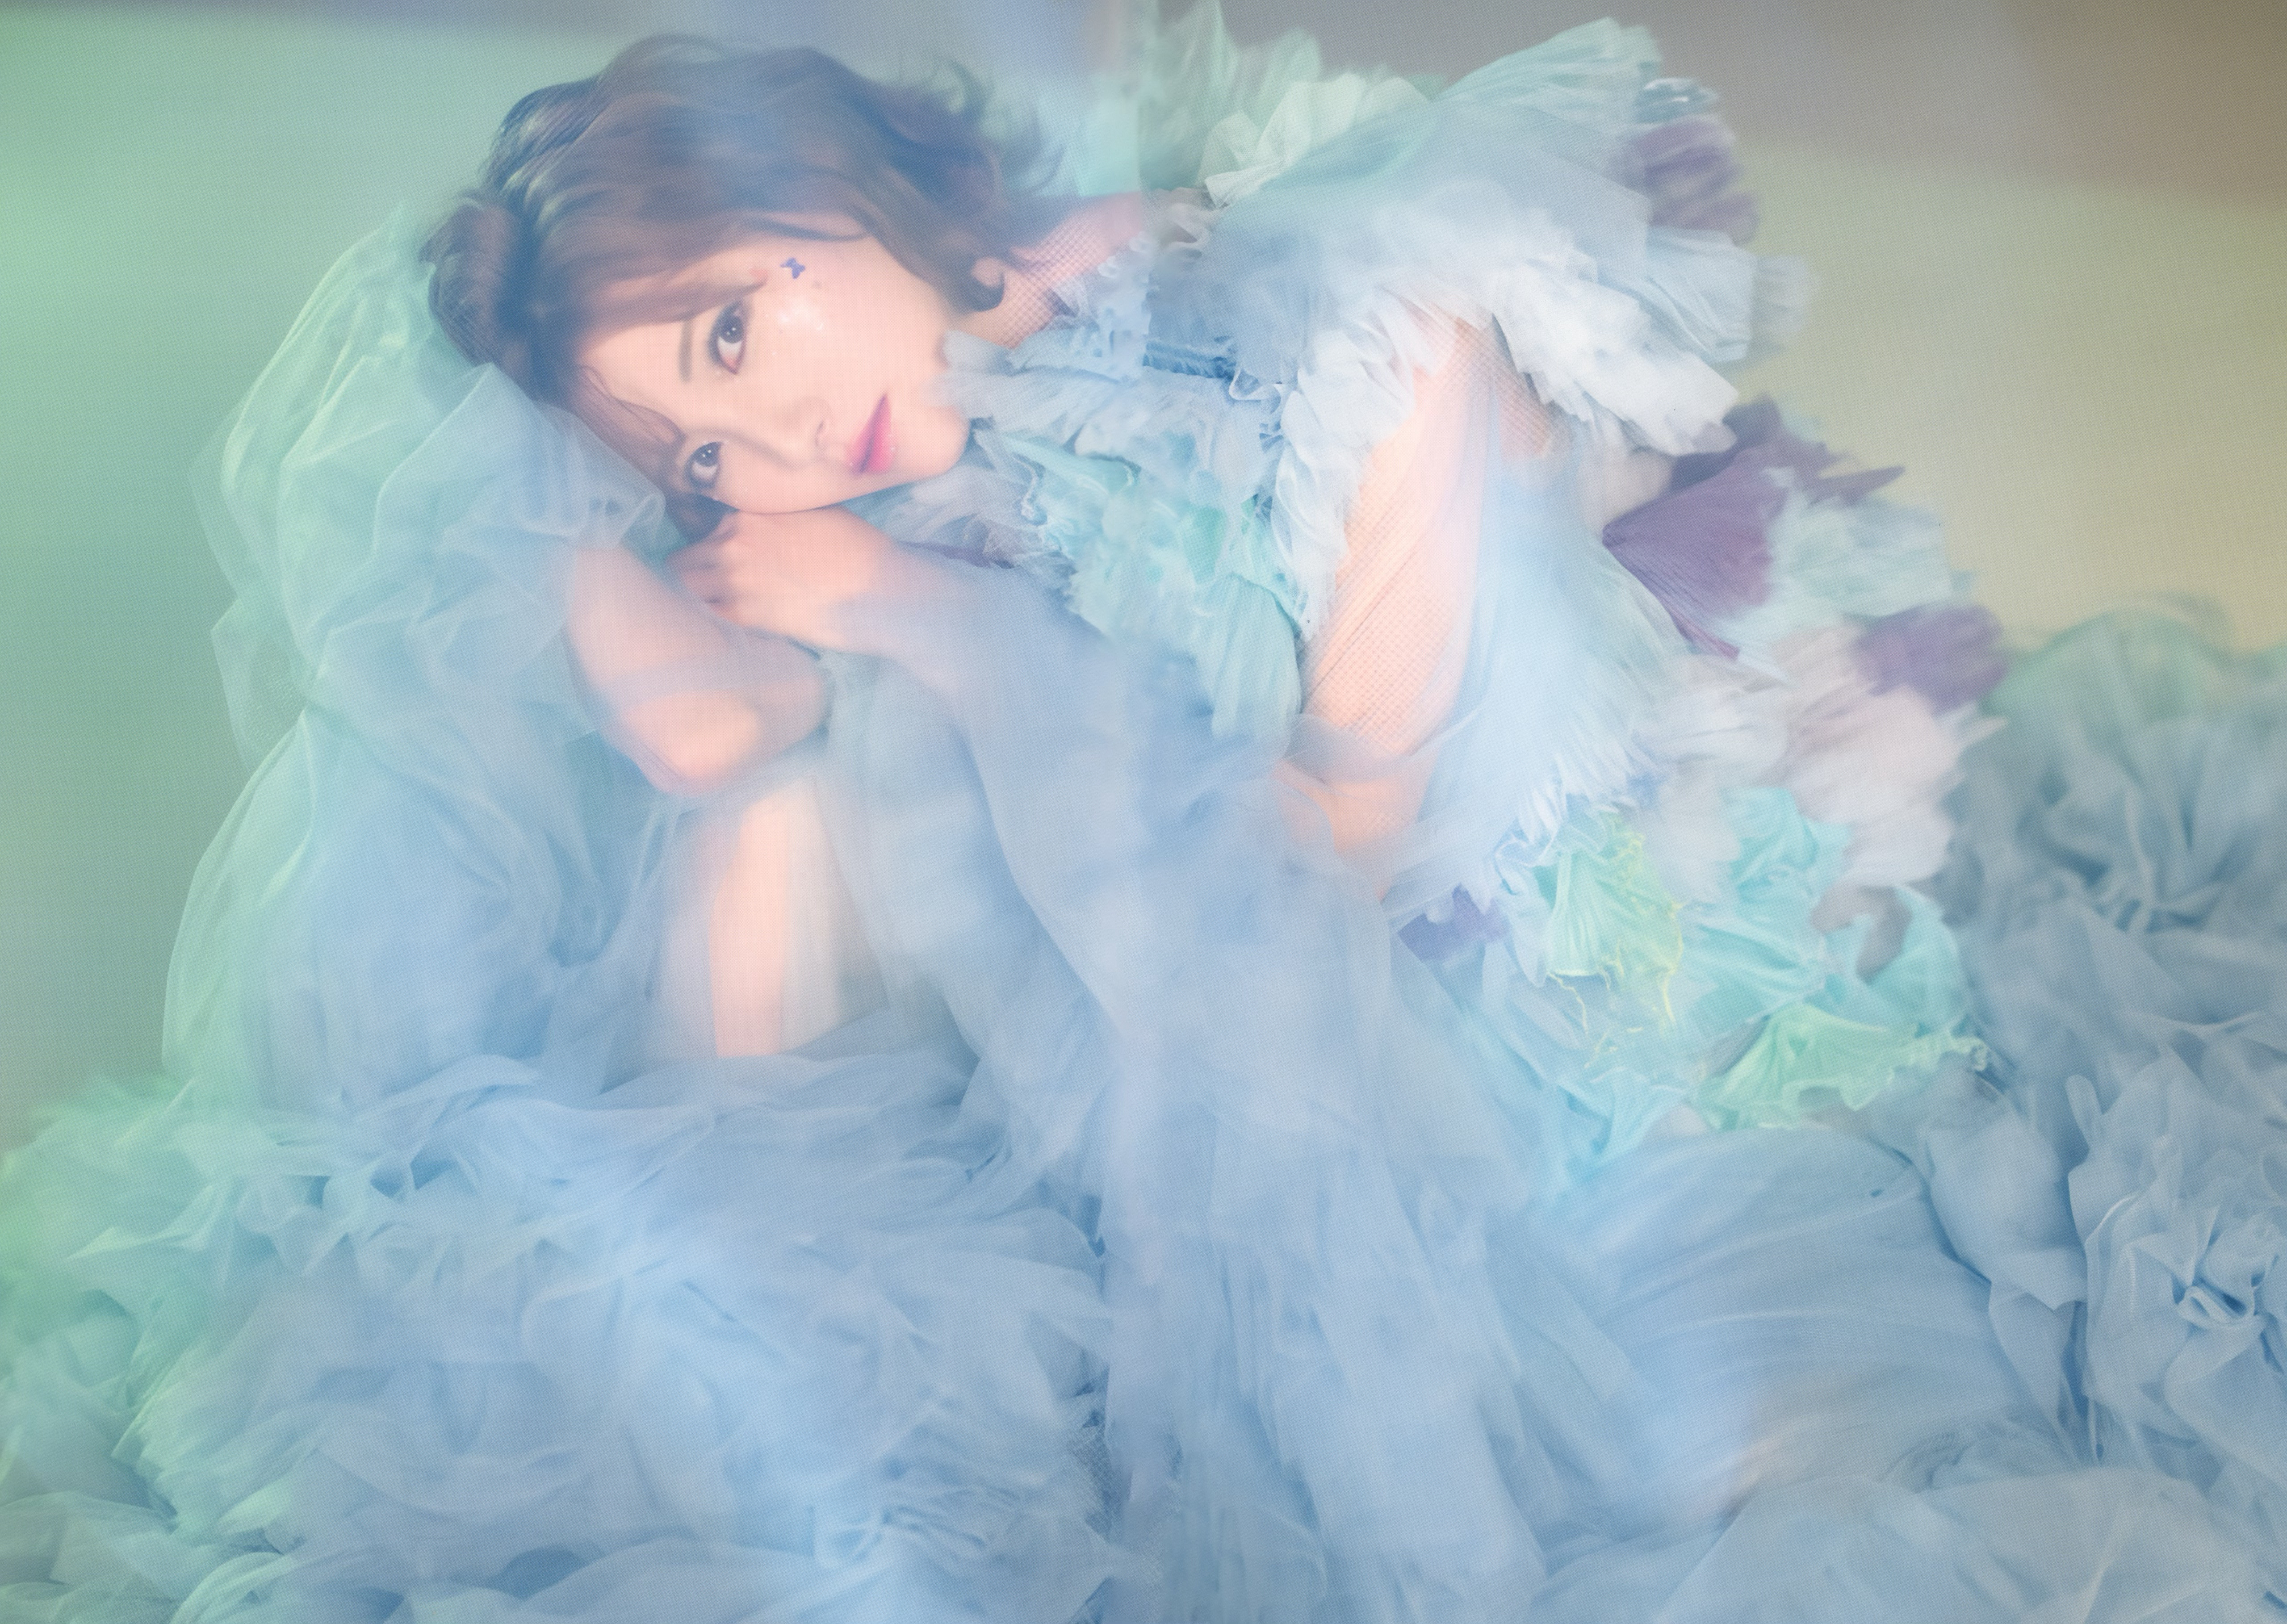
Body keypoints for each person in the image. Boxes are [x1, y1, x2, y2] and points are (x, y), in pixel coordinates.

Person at [2, 11, 2282, 1622]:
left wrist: (919, 619)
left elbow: (1330, 868)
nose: (766, 450)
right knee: (728, 1297)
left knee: (1704, 1486)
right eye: (695, 451)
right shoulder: (948, 450)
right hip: (1221, 1089)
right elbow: (739, 979)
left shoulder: (1363, 336)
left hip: (1545, 1047)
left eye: (730, 339)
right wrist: (652, 629)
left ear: (803, 193)